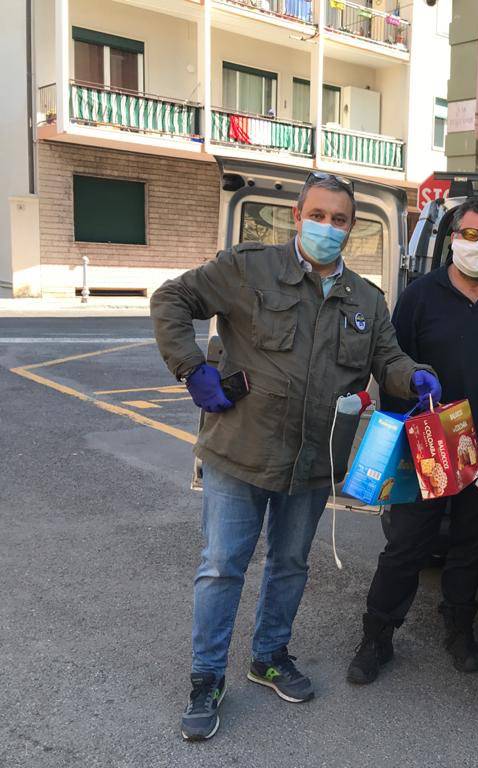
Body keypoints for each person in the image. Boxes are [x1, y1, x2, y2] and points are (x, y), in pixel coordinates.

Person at [151, 172, 441, 741]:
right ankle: (207, 677)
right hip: (240, 451)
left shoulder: (366, 299)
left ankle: (268, 656)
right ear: (297, 216)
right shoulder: (249, 268)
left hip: (314, 462)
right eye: (318, 215)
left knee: (290, 565)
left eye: (339, 220)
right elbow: (172, 300)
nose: (327, 228)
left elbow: (388, 360)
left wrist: (415, 376)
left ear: (351, 227)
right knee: (221, 567)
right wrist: (192, 368)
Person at [347, 197, 478, 685]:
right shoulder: (419, 295)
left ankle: (459, 627)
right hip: (427, 449)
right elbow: (391, 366)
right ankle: (376, 637)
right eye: (470, 235)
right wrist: (396, 442)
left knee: (473, 547)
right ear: (453, 238)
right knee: (407, 546)